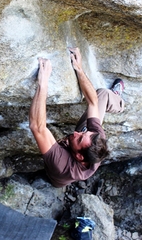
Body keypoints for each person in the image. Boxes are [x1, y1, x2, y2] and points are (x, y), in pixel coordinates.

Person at [29, 47, 125, 187]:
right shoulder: (96, 139)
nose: (76, 132)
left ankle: (52, 182)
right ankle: (118, 102)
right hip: (80, 151)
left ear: (79, 157)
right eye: (83, 133)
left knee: (54, 177)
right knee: (103, 94)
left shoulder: (63, 166)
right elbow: (93, 102)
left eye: (79, 137)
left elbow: (37, 128)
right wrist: (79, 68)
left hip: (57, 177)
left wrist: (43, 84)